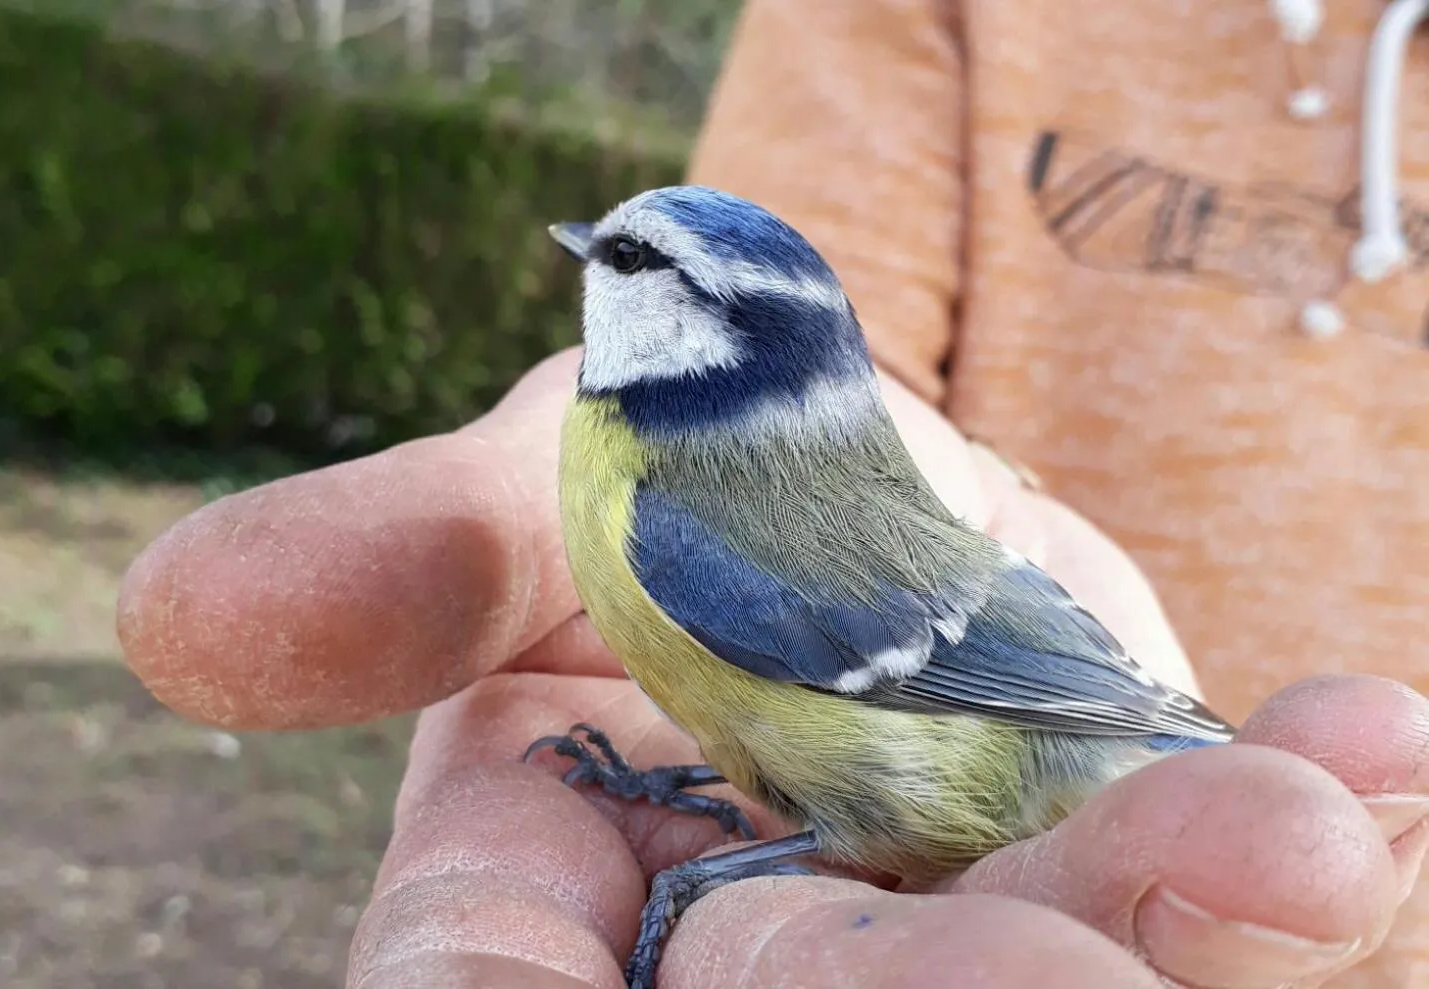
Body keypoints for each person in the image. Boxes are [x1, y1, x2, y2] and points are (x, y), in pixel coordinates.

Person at [116, 1, 1429, 986]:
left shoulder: (680, 509)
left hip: (1007, 734)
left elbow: (922, 752)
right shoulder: (632, 440)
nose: (593, 255)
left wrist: (710, 873)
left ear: (711, 328)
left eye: (635, 260)